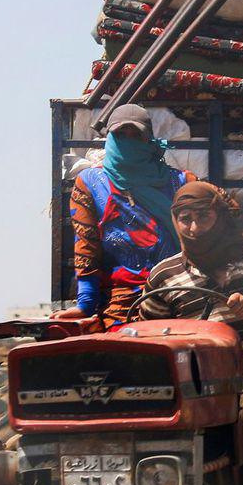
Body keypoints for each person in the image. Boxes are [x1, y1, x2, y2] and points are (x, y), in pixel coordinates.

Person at [136, 181, 243, 485]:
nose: (192, 227)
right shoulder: (164, 275)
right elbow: (146, 339)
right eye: (184, 218)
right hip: (189, 384)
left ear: (220, 216)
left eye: (202, 217)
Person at [56, 105, 193, 325]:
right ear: (109, 138)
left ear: (148, 139)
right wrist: (85, 304)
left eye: (135, 135)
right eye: (121, 134)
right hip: (122, 299)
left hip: (179, 293)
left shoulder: (181, 182)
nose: (128, 141)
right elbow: (86, 246)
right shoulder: (90, 183)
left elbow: (216, 223)